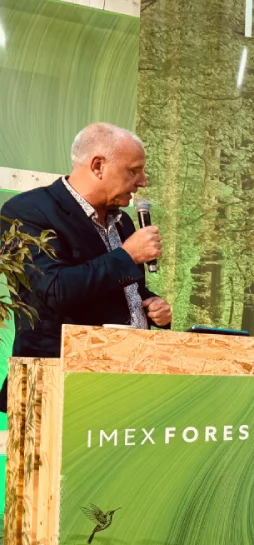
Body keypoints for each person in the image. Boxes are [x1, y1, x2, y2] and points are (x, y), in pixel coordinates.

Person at [0, 123, 171, 411]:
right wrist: (127, 256)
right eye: (134, 171)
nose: (142, 182)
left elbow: (116, 287)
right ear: (98, 166)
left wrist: (151, 306)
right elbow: (53, 289)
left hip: (122, 382)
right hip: (53, 387)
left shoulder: (123, 222)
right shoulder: (26, 212)